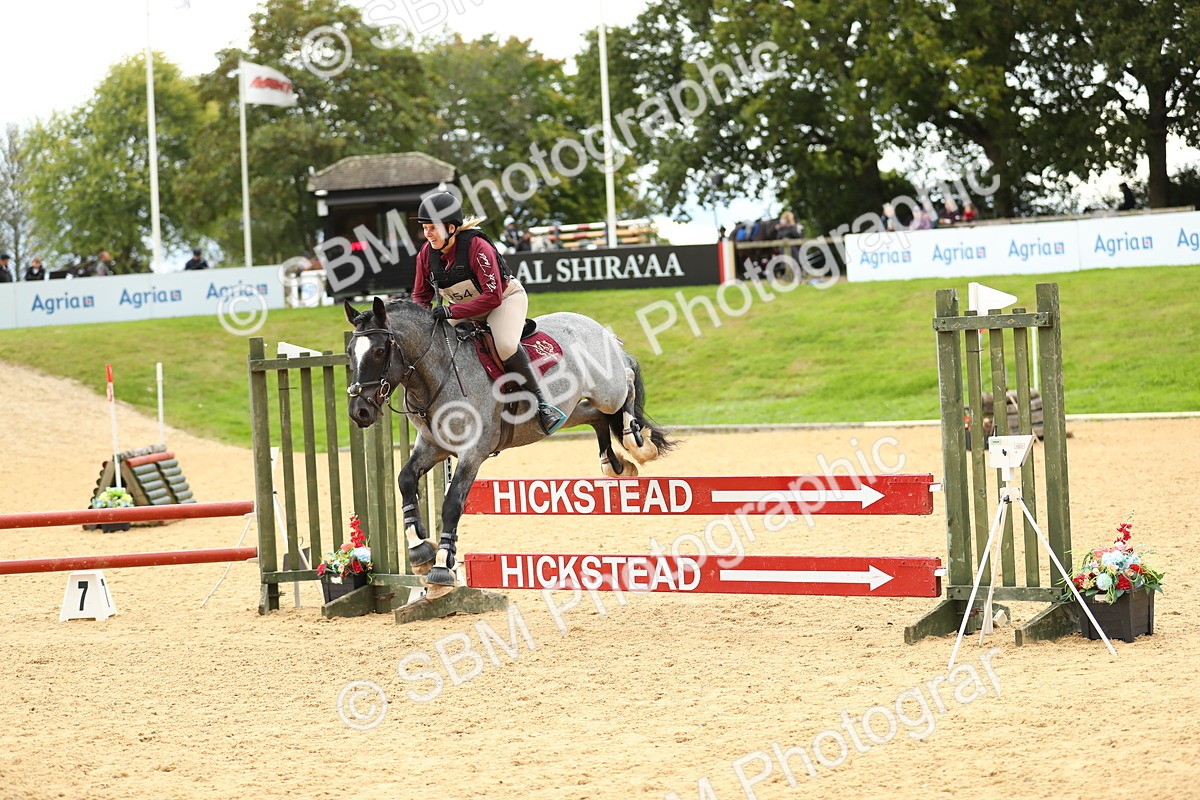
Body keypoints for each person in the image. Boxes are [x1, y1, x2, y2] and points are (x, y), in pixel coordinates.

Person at [411, 191, 566, 435]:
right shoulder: (425, 254)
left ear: (451, 228)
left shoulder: (476, 247)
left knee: (505, 345)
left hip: (503, 301)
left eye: (432, 228)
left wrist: (451, 310)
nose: (427, 234)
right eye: (425, 228)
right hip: (464, 308)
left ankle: (542, 404)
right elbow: (421, 296)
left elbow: (492, 298)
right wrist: (420, 323)